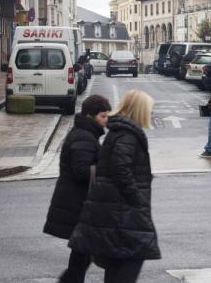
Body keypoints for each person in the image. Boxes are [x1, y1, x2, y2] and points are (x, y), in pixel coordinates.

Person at [69, 90, 160, 283]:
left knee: (117, 268)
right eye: (149, 109)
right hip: (124, 214)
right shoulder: (128, 135)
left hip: (116, 213)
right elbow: (121, 169)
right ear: (140, 110)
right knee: (128, 265)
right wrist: (137, 199)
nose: (151, 113)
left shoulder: (119, 132)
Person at [44, 94, 112, 283]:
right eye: (103, 116)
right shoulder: (85, 137)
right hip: (77, 205)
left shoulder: (85, 133)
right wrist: (108, 169)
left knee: (82, 256)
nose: (106, 121)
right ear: (90, 116)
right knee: (82, 256)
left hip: (78, 203)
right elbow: (81, 171)